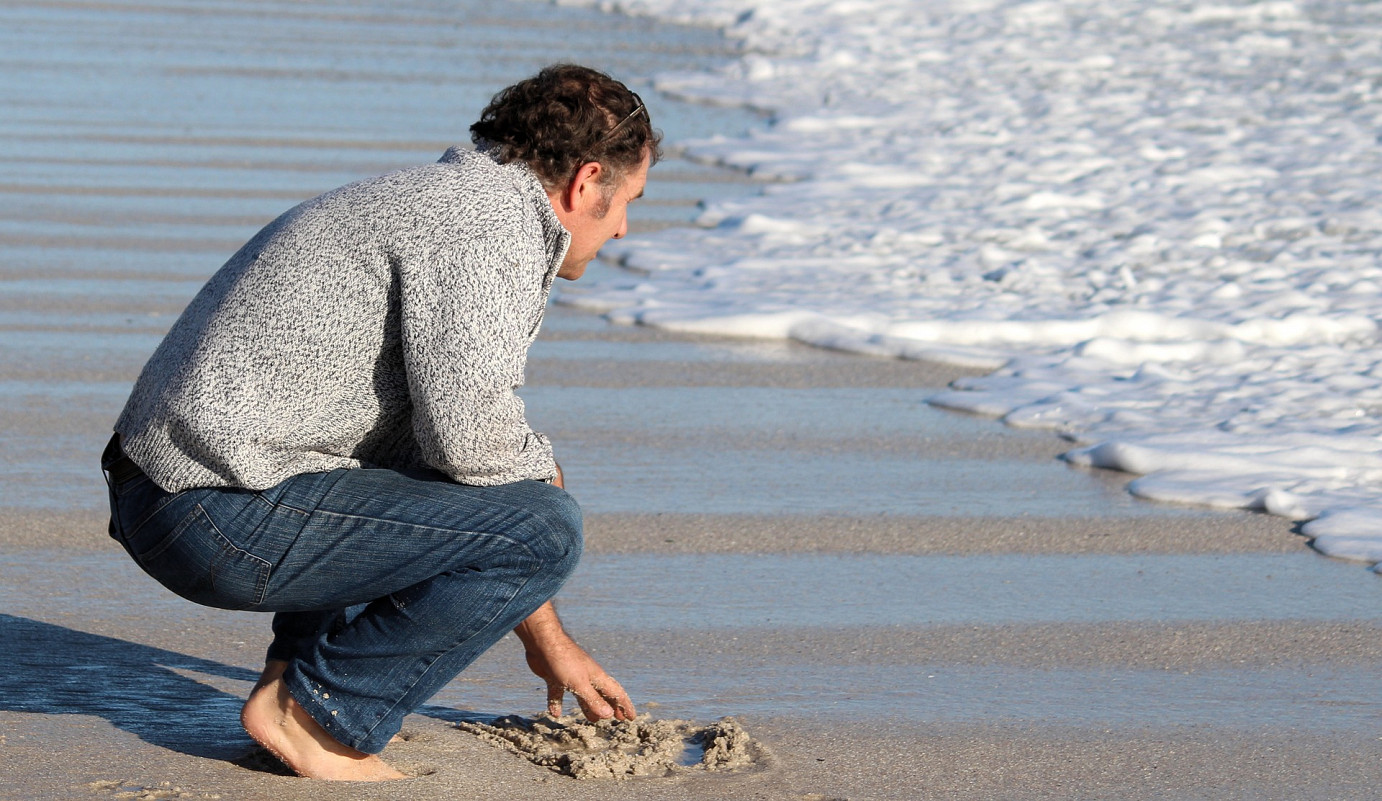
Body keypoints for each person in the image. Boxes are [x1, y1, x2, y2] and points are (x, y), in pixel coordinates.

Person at [99, 64, 660, 781]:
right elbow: (475, 445)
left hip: (182, 492)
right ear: (585, 183)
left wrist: (543, 637)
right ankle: (320, 715)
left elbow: (452, 457)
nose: (622, 227)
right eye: (627, 202)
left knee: (449, 476)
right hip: (209, 512)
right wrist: (540, 488)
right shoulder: (487, 228)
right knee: (545, 522)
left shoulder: (453, 200)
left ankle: (293, 680)